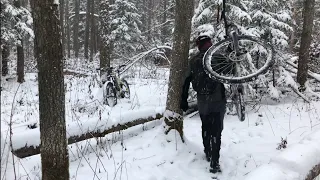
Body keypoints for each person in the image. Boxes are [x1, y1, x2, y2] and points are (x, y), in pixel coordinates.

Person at [180, 35, 227, 173]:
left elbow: (186, 81)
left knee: (206, 126)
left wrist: (184, 99)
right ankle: (215, 161)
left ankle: (207, 151)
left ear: (199, 45)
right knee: (217, 130)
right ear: (210, 43)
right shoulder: (217, 56)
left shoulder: (194, 60)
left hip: (203, 101)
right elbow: (232, 71)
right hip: (218, 99)